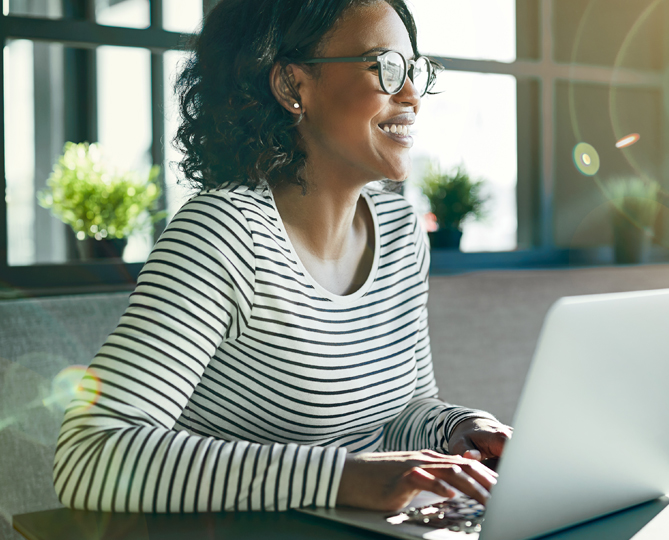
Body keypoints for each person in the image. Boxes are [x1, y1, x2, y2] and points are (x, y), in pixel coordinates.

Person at [53, 0, 512, 514]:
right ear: (293, 86)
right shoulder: (224, 234)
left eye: (414, 70)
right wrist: (343, 477)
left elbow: (401, 410)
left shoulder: (402, 234)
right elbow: (89, 454)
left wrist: (459, 429)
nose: (411, 95)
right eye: (385, 67)